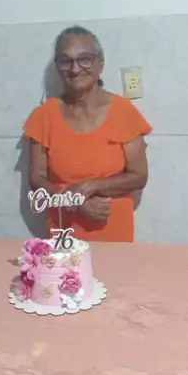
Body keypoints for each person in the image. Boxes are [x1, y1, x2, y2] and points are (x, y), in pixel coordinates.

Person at [23, 25, 152, 242]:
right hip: (64, 234)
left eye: (84, 59)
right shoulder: (44, 116)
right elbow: (36, 179)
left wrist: (90, 187)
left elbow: (139, 177)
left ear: (100, 63)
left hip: (114, 232)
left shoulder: (123, 112)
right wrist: (73, 200)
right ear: (57, 66)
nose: (75, 69)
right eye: (66, 61)